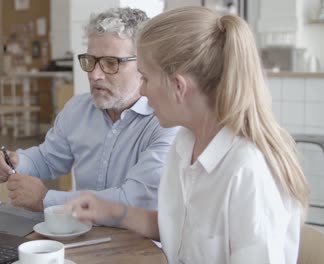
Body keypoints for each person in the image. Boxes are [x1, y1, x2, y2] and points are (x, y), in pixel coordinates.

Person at [68, 6, 309, 263]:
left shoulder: (249, 171)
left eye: (146, 79)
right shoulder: (185, 143)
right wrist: (107, 210)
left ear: (179, 87)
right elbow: (177, 228)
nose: (144, 92)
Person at [0, 7, 178, 216]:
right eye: (90, 61)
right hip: (82, 234)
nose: (94, 75)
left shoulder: (166, 121)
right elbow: (48, 159)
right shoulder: (78, 109)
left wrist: (45, 199)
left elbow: (136, 200)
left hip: (140, 244)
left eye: (110, 63)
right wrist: (14, 162)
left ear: (144, 65)